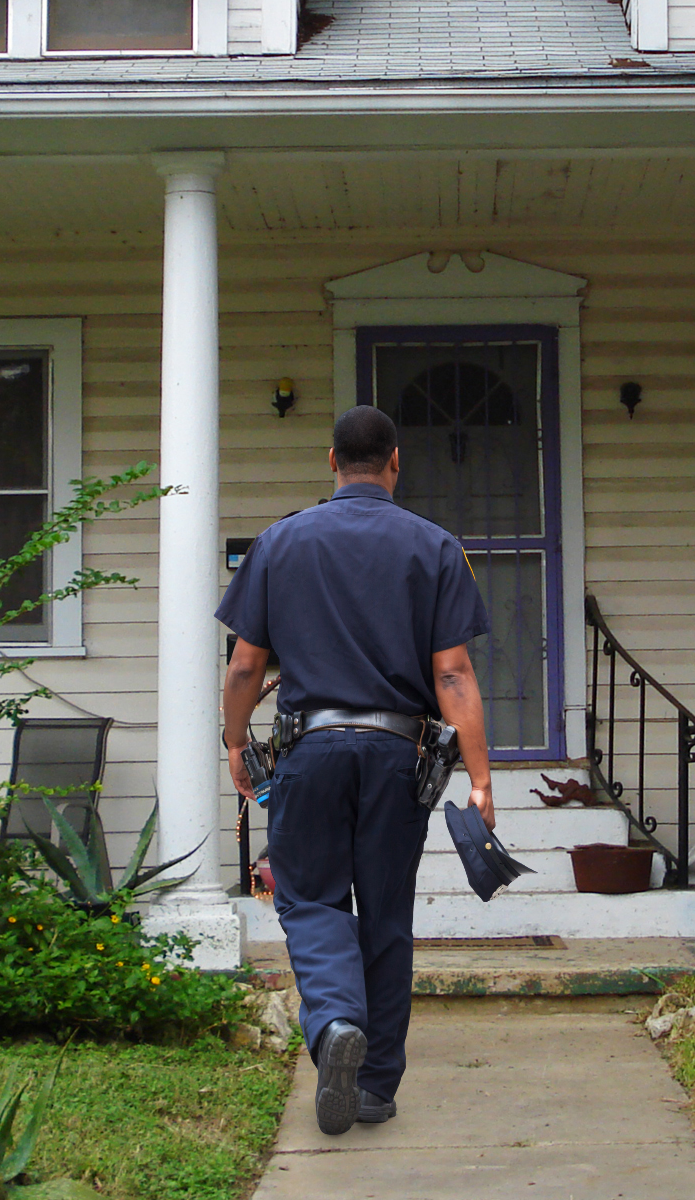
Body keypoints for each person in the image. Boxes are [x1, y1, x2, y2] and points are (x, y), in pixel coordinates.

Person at [217, 404, 493, 1136]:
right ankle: (373, 1089)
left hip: (311, 751)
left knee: (310, 899)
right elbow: (455, 673)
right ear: (396, 461)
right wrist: (481, 778)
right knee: (387, 915)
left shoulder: (279, 543)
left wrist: (236, 741)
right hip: (398, 756)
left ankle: (335, 1020)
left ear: (331, 461)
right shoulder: (435, 547)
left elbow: (246, 663)